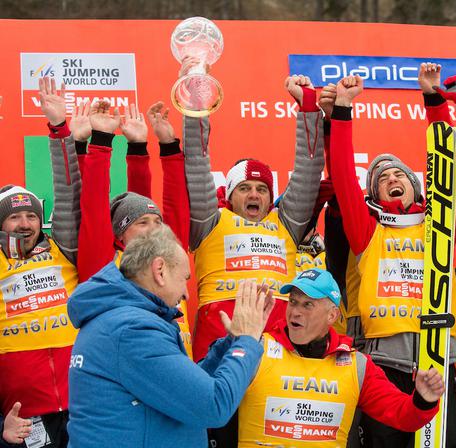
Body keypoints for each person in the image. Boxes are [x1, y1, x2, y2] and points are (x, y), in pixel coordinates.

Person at [329, 64, 456, 447]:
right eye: (382, 179)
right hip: (384, 366)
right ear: (375, 196)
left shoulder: (441, 224)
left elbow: (453, 169)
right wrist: (343, 111)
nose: (392, 179)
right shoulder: (368, 230)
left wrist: (434, 101)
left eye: (399, 175)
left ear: (415, 187)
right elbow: (345, 177)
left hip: (438, 363)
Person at [67, 225, 271, 448]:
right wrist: (246, 343)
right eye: (184, 278)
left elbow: (182, 389)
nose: (186, 293)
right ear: (160, 270)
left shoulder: (122, 321)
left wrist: (230, 344)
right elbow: (213, 405)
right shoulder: (132, 331)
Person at [185, 73, 325, 361]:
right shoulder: (210, 221)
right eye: (245, 189)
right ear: (230, 195)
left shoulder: (284, 222)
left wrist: (308, 107)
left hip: (276, 349)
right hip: (217, 348)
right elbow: (196, 164)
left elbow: (309, 171)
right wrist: (196, 102)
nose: (254, 195)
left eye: (262, 189)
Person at [229, 268, 444, 447]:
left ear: (332, 315)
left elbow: (402, 415)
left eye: (307, 305)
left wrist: (423, 400)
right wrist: (231, 344)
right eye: (293, 302)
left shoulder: (356, 366)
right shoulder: (257, 348)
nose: (295, 311)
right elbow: (210, 395)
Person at [74, 98, 193, 356]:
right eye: (143, 224)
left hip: (179, 374)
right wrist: (102, 141)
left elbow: (175, 208)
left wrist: (157, 146)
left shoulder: (171, 256)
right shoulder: (106, 267)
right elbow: (93, 204)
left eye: (158, 222)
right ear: (119, 235)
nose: (154, 229)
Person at [0, 76, 81, 448]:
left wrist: (59, 128)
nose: (24, 223)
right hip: (22, 418)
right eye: (14, 217)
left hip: (81, 404)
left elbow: (67, 190)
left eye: (31, 216)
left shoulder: (61, 247)